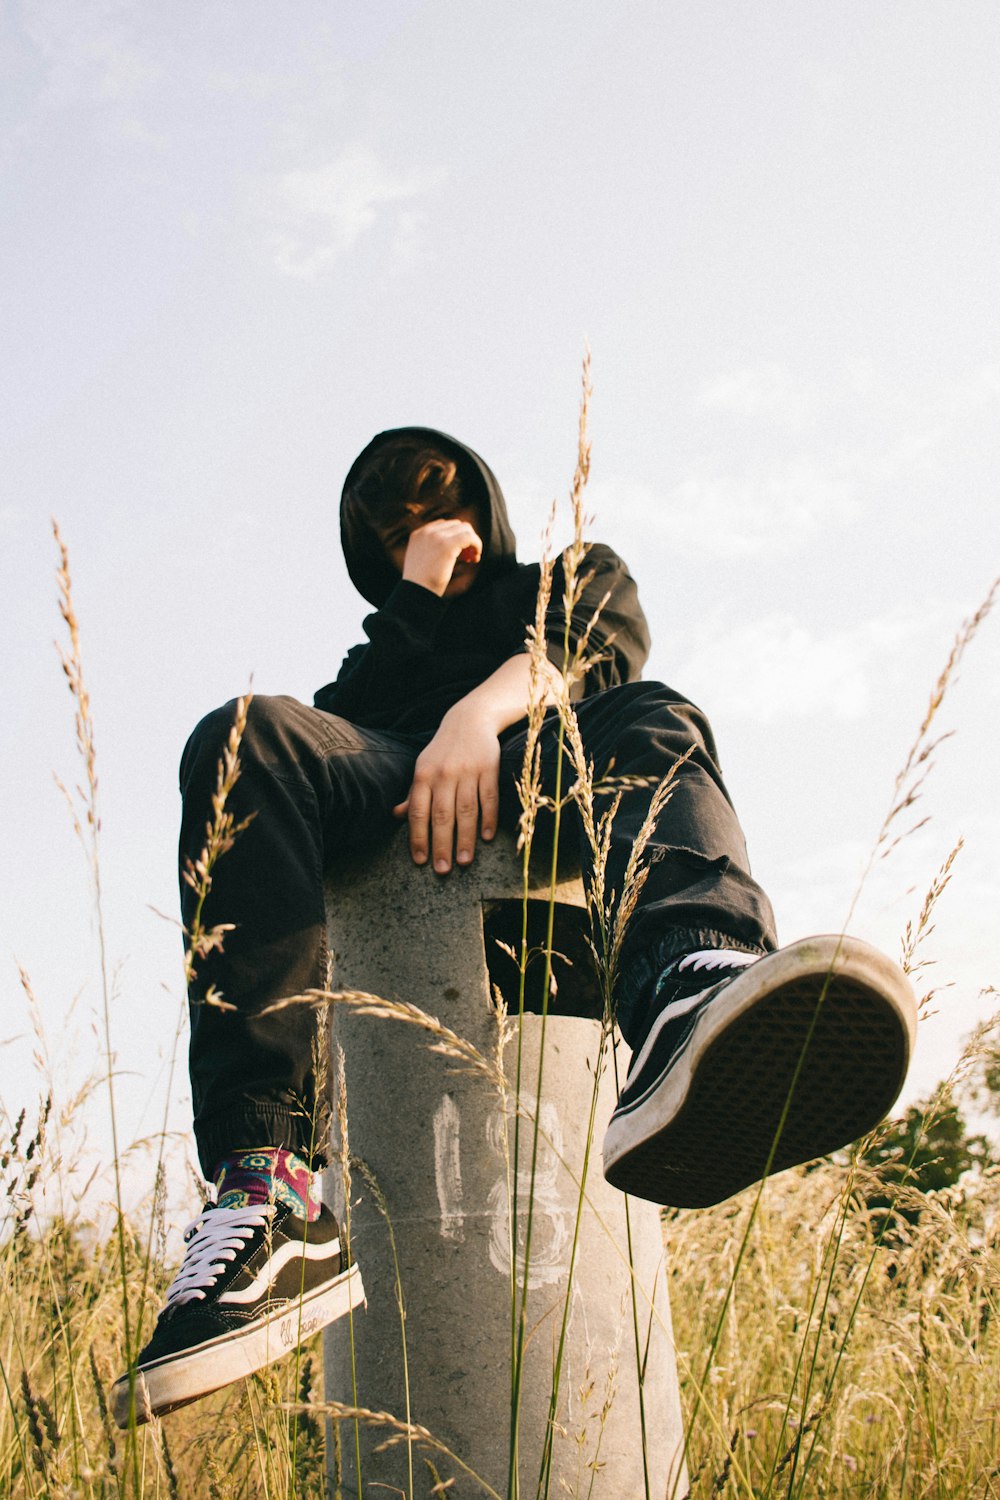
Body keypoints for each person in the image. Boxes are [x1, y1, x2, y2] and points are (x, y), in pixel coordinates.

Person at [112, 427, 916, 1426]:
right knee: (245, 740)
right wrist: (410, 602)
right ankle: (271, 1194)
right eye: (393, 532)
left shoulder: (568, 575)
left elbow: (597, 658)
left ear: (481, 506)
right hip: (390, 775)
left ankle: (685, 986)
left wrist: (471, 721)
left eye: (434, 504)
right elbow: (327, 732)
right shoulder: (383, 649)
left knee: (657, 715)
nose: (422, 530)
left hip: (548, 753)